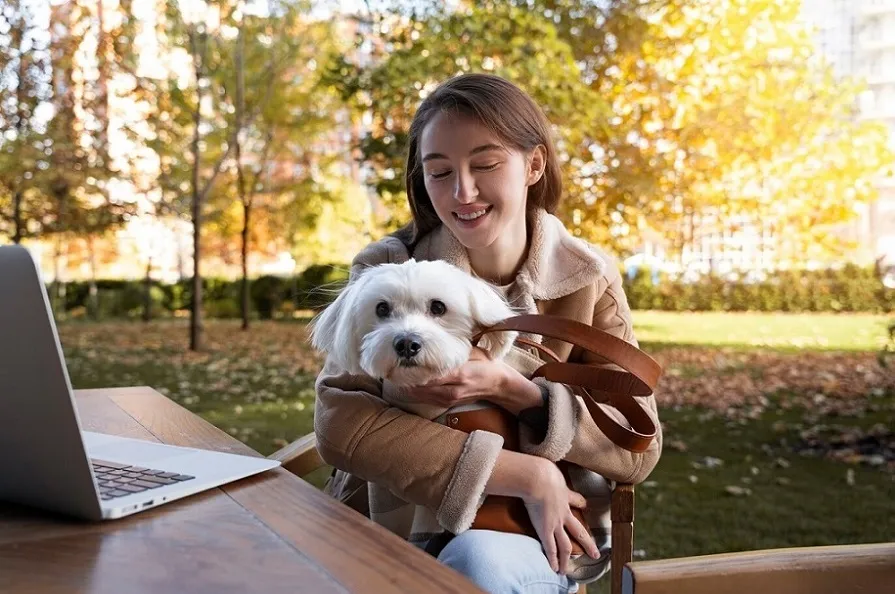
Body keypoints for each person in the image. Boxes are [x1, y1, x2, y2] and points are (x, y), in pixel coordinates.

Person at [314, 73, 662, 593]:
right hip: (396, 528)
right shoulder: (386, 265)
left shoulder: (589, 278)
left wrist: (512, 389)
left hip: (530, 536)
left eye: (485, 164)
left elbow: (637, 449)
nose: (462, 192)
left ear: (534, 165)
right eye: (439, 172)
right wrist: (523, 472)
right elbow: (340, 423)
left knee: (480, 562)